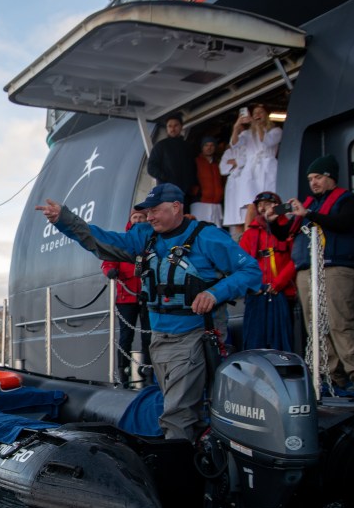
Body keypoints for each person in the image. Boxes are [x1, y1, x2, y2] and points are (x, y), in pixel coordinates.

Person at [36, 183, 261, 441]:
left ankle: (176, 461)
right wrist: (65, 220)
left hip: (194, 336)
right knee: (182, 407)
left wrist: (214, 293)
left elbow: (251, 272)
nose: (150, 216)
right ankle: (199, 452)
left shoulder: (208, 237)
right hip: (159, 339)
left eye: (155, 210)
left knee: (177, 414)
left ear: (176, 207)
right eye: (147, 211)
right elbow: (102, 241)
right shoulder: (145, 236)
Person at [269, 155, 354, 396]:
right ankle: (332, 377)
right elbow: (286, 233)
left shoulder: (348, 200)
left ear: (330, 177)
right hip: (307, 270)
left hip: (335, 268)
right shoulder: (309, 205)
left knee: (340, 322)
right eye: (310, 179)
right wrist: (273, 222)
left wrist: (308, 214)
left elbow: (345, 223)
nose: (313, 183)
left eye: (317, 177)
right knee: (316, 326)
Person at [101, 207, 153, 387]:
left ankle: (149, 370)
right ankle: (123, 371)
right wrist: (110, 271)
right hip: (126, 297)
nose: (138, 220)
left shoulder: (152, 241)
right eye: (135, 217)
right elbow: (108, 262)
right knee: (126, 336)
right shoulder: (123, 241)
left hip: (147, 295)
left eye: (141, 217)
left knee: (148, 335)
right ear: (130, 220)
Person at [239, 191, 296, 352]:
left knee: (281, 342)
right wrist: (254, 285)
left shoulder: (289, 229)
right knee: (256, 342)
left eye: (268, 204)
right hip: (257, 294)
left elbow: (295, 259)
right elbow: (241, 263)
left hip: (282, 293)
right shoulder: (250, 233)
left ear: (278, 206)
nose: (264, 208)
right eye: (260, 205)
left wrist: (278, 283)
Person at [226, 103, 282, 233]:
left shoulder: (276, 131)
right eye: (255, 113)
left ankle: (271, 233)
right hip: (251, 171)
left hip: (268, 169)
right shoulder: (247, 133)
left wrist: (257, 125)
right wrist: (236, 126)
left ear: (266, 115)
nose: (257, 115)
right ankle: (248, 235)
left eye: (260, 112)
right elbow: (234, 144)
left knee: (270, 202)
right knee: (251, 204)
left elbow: (265, 141)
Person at [146, 113, 197, 201]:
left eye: (176, 125)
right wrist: (165, 176)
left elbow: (193, 168)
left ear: (181, 127)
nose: (173, 129)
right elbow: (151, 167)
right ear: (167, 128)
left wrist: (192, 184)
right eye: (170, 126)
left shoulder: (187, 146)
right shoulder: (160, 146)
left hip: (185, 194)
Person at [190, 136, 224, 225]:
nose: (209, 148)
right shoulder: (195, 161)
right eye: (206, 145)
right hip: (200, 203)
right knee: (200, 229)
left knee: (216, 230)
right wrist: (197, 192)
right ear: (202, 147)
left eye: (212, 145)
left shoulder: (218, 163)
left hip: (216, 204)